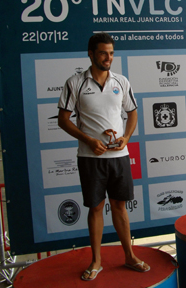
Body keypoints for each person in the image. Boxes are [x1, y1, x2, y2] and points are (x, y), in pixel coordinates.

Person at [58, 33, 150, 280]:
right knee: (96, 208)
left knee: (120, 206)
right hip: (90, 158)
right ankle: (96, 261)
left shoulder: (121, 81)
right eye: (102, 53)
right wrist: (88, 140)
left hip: (119, 157)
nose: (108, 57)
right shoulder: (75, 83)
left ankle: (129, 256)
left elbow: (132, 114)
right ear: (90, 53)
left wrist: (127, 138)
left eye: (111, 53)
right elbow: (63, 120)